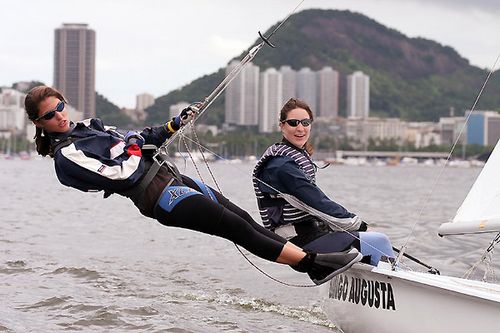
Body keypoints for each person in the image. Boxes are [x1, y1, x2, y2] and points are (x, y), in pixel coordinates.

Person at [24, 86, 362, 285]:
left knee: (241, 216)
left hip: (173, 177)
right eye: (51, 115)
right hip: (159, 197)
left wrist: (174, 124)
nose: (60, 116)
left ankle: (310, 262)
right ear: (40, 123)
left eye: (61, 106)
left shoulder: (90, 128)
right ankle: (313, 264)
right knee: (233, 227)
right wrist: (137, 147)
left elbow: (141, 138)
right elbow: (122, 172)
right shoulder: (66, 158)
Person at [253, 97, 395, 267]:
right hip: (297, 243)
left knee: (364, 252)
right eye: (293, 123)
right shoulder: (281, 166)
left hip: (308, 235)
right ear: (282, 126)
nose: (300, 128)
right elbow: (316, 202)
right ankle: (402, 283)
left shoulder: (289, 157)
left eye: (305, 122)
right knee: (379, 241)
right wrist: (359, 225)